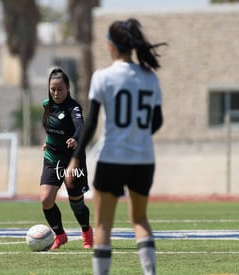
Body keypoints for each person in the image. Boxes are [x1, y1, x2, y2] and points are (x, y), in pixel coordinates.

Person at [66, 18, 165, 274]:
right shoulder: (149, 77)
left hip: (113, 158)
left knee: (103, 226)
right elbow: (157, 121)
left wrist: (76, 158)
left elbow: (90, 125)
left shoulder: (103, 76)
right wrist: (138, 135)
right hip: (144, 159)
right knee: (140, 219)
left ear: (111, 45)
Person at [40, 67, 93, 250]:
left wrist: (75, 139)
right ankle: (60, 235)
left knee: (75, 200)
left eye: (60, 89)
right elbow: (51, 130)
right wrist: (48, 142)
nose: (56, 93)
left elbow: (80, 126)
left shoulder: (73, 108)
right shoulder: (46, 105)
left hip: (72, 159)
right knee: (46, 200)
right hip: (52, 158)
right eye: (53, 89)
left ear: (68, 88)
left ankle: (86, 231)